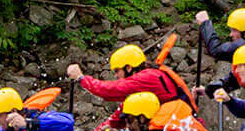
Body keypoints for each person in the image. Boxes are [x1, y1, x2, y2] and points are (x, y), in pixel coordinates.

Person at [64, 44, 199, 118]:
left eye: (117, 71)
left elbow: (109, 90)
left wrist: (81, 78)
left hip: (175, 128)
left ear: (129, 67)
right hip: (176, 124)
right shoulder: (145, 80)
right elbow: (117, 117)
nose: (116, 76)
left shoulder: (146, 78)